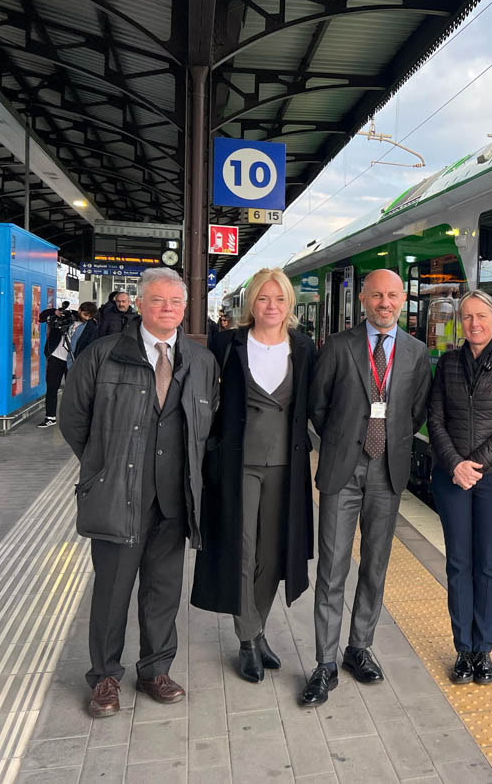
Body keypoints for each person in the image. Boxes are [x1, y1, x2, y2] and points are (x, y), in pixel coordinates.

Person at [60, 268, 218, 718]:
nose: (167, 308)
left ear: (185, 310)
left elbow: (206, 429)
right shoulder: (104, 355)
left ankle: (155, 669)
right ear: (140, 304)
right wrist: (102, 469)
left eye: (175, 302)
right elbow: (74, 419)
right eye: (157, 300)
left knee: (163, 590)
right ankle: (105, 676)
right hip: (117, 496)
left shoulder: (200, 362)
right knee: (112, 591)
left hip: (174, 500)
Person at [300, 269, 431, 706]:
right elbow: (318, 405)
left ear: (402, 299)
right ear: (362, 299)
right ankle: (324, 663)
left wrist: (387, 441)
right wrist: (343, 442)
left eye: (393, 295)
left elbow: (416, 412)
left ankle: (359, 647)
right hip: (343, 470)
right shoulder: (338, 346)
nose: (385, 302)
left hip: (388, 472)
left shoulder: (415, 351)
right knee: (332, 568)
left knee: (375, 566)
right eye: (377, 295)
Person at [190, 270, 316, 683]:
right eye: (263, 298)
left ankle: (257, 629)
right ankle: (247, 639)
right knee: (241, 552)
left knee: (271, 555)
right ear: (251, 304)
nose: (271, 306)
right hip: (237, 464)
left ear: (289, 304)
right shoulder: (228, 343)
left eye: (279, 299)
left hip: (286, 464)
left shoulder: (303, 347)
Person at [427, 290, 492, 685]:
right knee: (457, 564)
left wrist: (475, 465)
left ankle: (483, 649)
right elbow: (435, 419)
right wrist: (454, 464)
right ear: (459, 323)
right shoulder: (448, 363)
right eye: (467, 317)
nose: (474, 324)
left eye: (481, 316)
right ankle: (462, 650)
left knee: (487, 565)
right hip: (452, 478)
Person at [38, 301, 75, 428]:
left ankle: (73, 417)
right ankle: (50, 417)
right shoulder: (55, 320)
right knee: (52, 388)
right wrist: (55, 312)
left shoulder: (80, 322)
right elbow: (42, 317)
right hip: (56, 357)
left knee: (74, 390)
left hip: (73, 359)